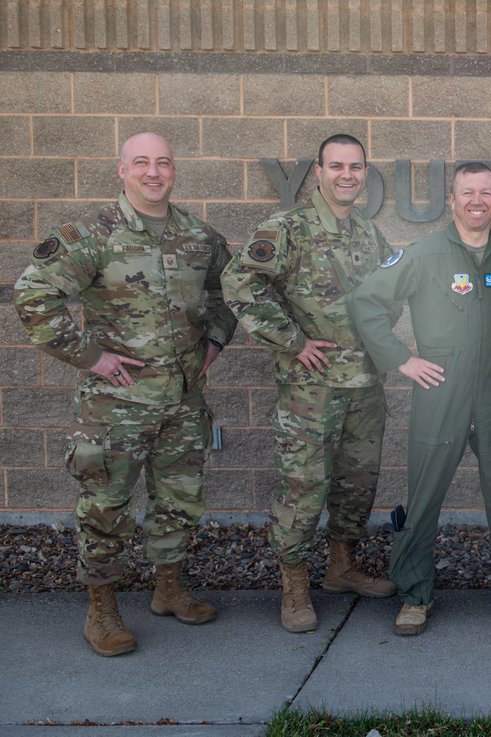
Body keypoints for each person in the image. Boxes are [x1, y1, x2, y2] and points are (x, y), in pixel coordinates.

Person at [13, 132, 236, 656]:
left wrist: (216, 343)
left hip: (183, 401)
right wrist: (92, 356)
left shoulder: (199, 236)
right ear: (121, 169)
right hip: (115, 408)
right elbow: (33, 295)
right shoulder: (91, 234)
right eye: (142, 163)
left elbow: (230, 293)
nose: (153, 172)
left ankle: (169, 589)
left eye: (163, 162)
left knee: (179, 502)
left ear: (174, 169)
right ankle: (102, 610)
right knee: (106, 507)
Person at [349, 162, 491, 636]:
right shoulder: (422, 255)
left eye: (486, 192)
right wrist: (402, 359)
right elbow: (366, 303)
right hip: (439, 390)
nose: (477, 200)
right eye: (468, 192)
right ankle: (415, 594)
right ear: (452, 200)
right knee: (424, 495)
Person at [222, 133, 396, 633]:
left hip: (366, 385)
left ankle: (342, 567)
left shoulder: (368, 233)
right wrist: (292, 340)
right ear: (317, 172)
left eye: (356, 166)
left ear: (365, 173)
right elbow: (239, 282)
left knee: (357, 481)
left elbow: (391, 293)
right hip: (311, 389)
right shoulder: (288, 228)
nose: (347, 174)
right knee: (304, 486)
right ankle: (295, 587)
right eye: (337, 165)